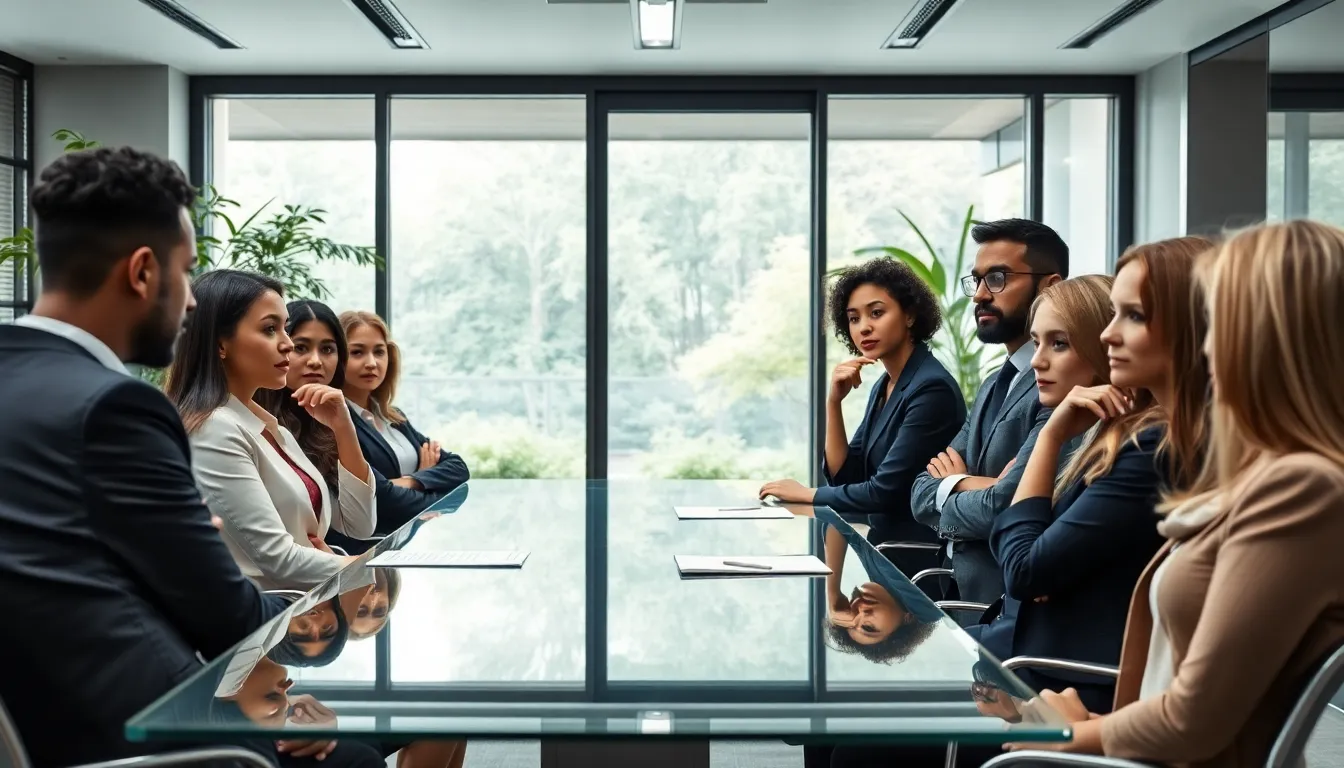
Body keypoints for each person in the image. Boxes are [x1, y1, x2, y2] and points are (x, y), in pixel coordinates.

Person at [0, 147, 376, 768]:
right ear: (143, 272)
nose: (193, 303)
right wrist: (323, 605)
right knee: (354, 757)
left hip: (34, 716)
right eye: (185, 273)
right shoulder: (116, 409)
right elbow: (224, 615)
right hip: (142, 722)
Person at [1011, 221, 1344, 767]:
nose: (1204, 341)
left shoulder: (1300, 487)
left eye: (1217, 320)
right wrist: (1089, 725)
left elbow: (1193, 722)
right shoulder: (1266, 472)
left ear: (1267, 334)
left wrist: (1072, 736)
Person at [987, 237, 1212, 717]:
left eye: (1131, 315)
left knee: (862, 737)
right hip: (1045, 663)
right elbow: (1024, 561)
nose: (1110, 335)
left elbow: (1023, 569)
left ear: (1191, 329)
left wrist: (1049, 439)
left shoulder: (1152, 448)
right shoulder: (1130, 435)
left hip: (1064, 677)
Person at [166, 270, 377, 590]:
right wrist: (368, 567)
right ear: (220, 344)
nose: (287, 344)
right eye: (270, 329)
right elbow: (279, 559)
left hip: (301, 615)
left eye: (284, 328)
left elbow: (360, 524)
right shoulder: (215, 428)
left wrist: (342, 426)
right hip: (262, 629)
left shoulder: (270, 429)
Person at [760, 257, 964, 582]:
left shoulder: (930, 388)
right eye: (853, 318)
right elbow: (847, 476)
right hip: (885, 555)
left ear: (910, 315)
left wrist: (807, 493)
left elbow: (882, 492)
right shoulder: (887, 383)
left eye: (876, 313)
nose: (863, 327)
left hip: (917, 564)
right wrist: (834, 403)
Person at [910, 218, 1070, 606]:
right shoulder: (993, 383)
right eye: (977, 280)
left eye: (997, 278)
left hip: (1007, 613)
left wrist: (955, 483)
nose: (980, 294)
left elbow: (1008, 505)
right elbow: (919, 492)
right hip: (960, 600)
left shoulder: (1065, 386)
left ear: (1050, 286)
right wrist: (973, 483)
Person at [339, 310, 469, 550]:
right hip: (368, 552)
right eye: (357, 352)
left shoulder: (393, 416)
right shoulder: (338, 423)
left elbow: (458, 469)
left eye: (379, 352)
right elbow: (382, 500)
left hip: (406, 543)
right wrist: (430, 484)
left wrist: (412, 481)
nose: (371, 363)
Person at [819, 511, 941, 664]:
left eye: (850, 615)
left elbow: (835, 520)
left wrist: (833, 593)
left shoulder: (874, 573)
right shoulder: (924, 607)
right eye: (869, 627)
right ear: (907, 620)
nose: (860, 612)